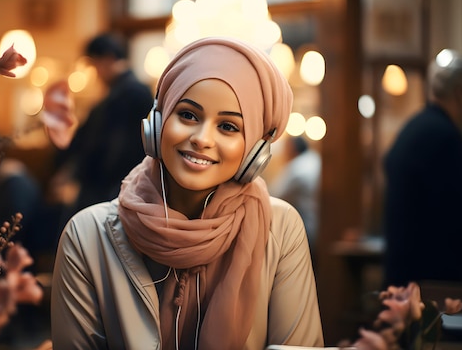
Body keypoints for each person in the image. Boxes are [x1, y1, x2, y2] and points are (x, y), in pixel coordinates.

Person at [50, 37, 323, 349]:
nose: (202, 139)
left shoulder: (281, 226)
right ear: (157, 122)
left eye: (229, 127)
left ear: (256, 152)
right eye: (188, 115)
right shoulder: (86, 235)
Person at [382, 50, 462, 287]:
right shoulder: (448, 141)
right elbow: (460, 232)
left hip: (401, 282)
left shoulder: (413, 128)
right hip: (430, 291)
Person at [52, 32, 154, 224]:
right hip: (111, 185)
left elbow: (117, 148)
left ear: (107, 59)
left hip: (112, 188)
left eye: (94, 65)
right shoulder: (123, 92)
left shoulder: (130, 93)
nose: (95, 73)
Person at [268, 136, 321, 251]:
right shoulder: (316, 159)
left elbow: (274, 195)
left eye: (286, 149)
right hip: (320, 224)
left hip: (305, 226)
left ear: (292, 148)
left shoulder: (297, 168)